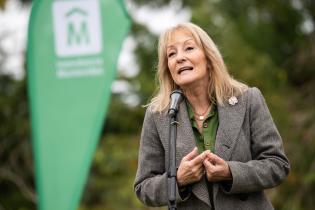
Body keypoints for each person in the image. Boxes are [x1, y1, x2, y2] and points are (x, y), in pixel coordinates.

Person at [134, 22, 290, 210]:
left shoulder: (248, 99)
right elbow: (144, 188)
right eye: (171, 54)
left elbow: (277, 165)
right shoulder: (157, 115)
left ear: (208, 58)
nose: (180, 58)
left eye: (189, 48)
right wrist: (179, 180)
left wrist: (231, 172)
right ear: (168, 68)